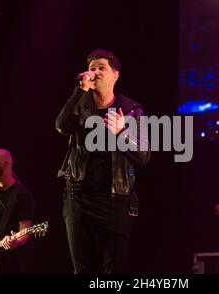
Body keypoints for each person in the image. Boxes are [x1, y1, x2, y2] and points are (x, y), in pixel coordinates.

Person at [55, 49, 150, 273]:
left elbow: (143, 155)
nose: (95, 72)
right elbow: (61, 126)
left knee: (112, 269)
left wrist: (121, 134)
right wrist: (80, 91)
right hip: (77, 196)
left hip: (114, 199)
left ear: (115, 74)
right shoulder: (80, 103)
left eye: (101, 68)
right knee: (82, 269)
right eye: (92, 68)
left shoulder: (131, 110)